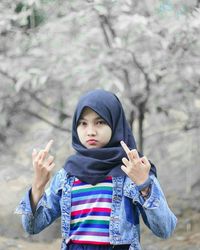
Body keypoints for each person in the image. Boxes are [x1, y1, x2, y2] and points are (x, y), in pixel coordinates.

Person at [16, 89, 177, 250]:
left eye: (100, 122)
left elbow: (165, 229)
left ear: (115, 123)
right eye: (83, 123)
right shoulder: (67, 174)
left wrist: (144, 184)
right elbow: (33, 227)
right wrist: (38, 185)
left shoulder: (132, 170)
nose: (91, 131)